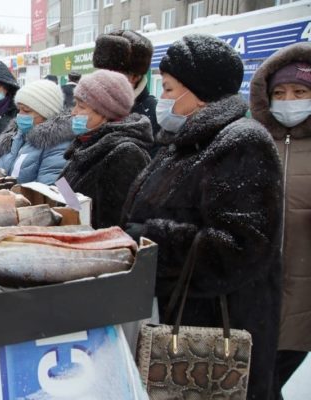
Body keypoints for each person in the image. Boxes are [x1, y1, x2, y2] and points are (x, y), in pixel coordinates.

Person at [121, 34, 283, 400]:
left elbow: (239, 247)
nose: (161, 98)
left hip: (212, 330)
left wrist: (150, 237)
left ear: (199, 90)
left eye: (168, 88)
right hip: (174, 314)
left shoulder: (241, 142)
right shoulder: (184, 141)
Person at [249, 42, 311, 399]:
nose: (289, 100)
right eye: (280, 92)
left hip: (303, 295)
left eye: (300, 91)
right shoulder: (254, 140)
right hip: (256, 295)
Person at [57, 70, 153, 228]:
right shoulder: (85, 143)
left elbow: (112, 226)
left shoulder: (125, 155)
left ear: (106, 112)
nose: (73, 112)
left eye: (81, 106)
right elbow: (68, 197)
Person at [0, 79, 71, 184]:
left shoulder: (58, 144)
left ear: (46, 113)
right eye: (19, 109)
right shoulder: (18, 137)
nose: (20, 115)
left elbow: (57, 189)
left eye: (26, 110)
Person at [93, 30, 160, 137]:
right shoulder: (92, 106)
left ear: (134, 77)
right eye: (100, 72)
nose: (102, 79)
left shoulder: (152, 116)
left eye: (111, 74)